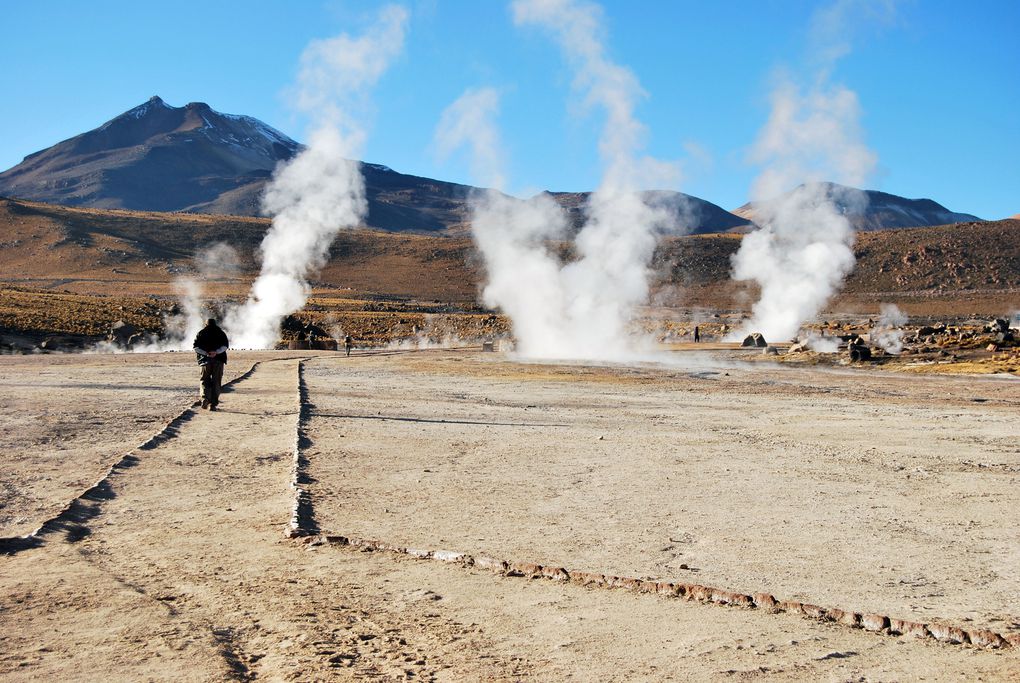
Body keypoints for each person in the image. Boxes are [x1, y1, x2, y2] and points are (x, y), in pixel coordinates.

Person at [193, 318, 229, 410]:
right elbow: (225, 346)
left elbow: (196, 347)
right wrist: (216, 352)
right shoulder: (220, 332)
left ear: (206, 324)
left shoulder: (201, 333)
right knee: (216, 382)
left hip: (204, 361)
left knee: (204, 380)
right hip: (218, 360)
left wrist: (207, 353)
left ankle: (205, 398)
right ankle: (213, 404)